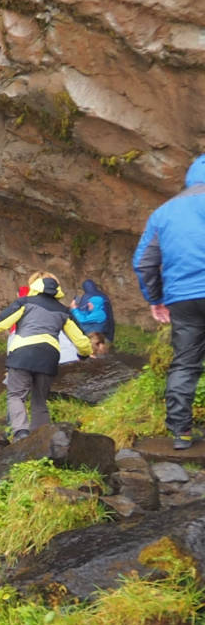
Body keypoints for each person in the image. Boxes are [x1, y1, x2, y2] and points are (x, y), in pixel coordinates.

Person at [136, 154, 205, 449]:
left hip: (183, 299)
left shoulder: (163, 213)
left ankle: (181, 433)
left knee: (185, 365)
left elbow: (143, 262)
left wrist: (156, 298)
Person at [0, 273, 95, 440]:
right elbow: (81, 340)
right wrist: (83, 355)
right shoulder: (64, 311)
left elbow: (2, 321)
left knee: (16, 395)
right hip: (48, 357)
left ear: (36, 287)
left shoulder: (25, 303)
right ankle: (42, 439)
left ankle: (21, 432)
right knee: (40, 400)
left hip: (22, 354)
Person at [73, 279, 115, 354]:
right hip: (105, 326)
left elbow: (82, 317)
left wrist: (74, 309)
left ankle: (94, 353)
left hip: (93, 330)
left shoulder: (86, 297)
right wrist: (110, 335)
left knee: (94, 343)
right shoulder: (104, 296)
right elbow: (110, 314)